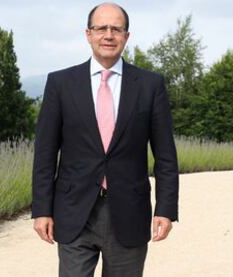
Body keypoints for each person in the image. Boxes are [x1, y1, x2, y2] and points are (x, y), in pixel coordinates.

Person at [31, 2, 179, 276]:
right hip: (74, 212)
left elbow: (166, 155)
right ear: (88, 34)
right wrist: (41, 209)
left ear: (126, 36)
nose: (108, 35)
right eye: (101, 28)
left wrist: (166, 208)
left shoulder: (150, 86)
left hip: (129, 213)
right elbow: (45, 153)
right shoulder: (60, 84)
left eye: (116, 29)